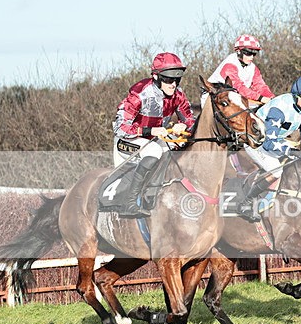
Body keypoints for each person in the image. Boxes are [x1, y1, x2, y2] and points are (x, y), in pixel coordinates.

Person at [112, 52, 195, 217]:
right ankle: (128, 203)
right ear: (156, 77)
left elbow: (190, 120)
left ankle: (161, 196)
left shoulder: (178, 95)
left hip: (155, 140)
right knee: (155, 151)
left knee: (180, 146)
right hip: (127, 140)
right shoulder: (139, 94)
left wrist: (183, 126)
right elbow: (120, 127)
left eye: (177, 79)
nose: (173, 84)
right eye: (168, 79)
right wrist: (149, 131)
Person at [235, 76, 301, 222]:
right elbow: (268, 142)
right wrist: (293, 152)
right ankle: (246, 203)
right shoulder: (279, 109)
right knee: (276, 170)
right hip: (257, 141)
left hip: (276, 141)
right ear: (296, 96)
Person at [203, 34, 274, 108]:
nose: (252, 57)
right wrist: (261, 98)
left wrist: (271, 98)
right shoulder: (229, 64)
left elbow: (260, 86)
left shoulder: (253, 67)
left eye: (254, 54)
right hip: (213, 99)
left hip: (232, 98)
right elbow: (238, 87)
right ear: (239, 51)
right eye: (249, 53)